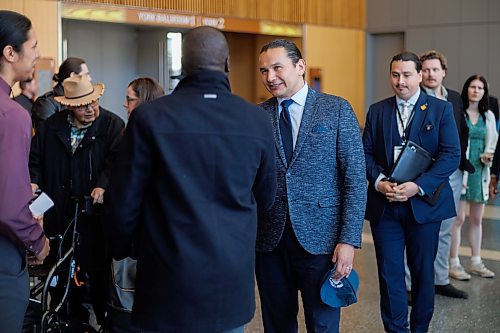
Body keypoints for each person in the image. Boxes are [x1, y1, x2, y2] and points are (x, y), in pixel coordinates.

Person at [104, 26, 277, 333]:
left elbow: (124, 201)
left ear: (182, 65)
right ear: (227, 63)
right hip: (230, 277)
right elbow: (267, 198)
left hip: (166, 273)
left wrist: (127, 247)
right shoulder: (256, 120)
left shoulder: (149, 118)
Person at [256, 39, 366, 333]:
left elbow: (355, 180)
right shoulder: (257, 116)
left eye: (277, 67)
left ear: (300, 66)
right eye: (264, 70)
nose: (270, 77)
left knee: (322, 324)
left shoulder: (336, 109)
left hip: (322, 241)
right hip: (269, 241)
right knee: (276, 324)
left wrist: (348, 241)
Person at [363, 51, 460, 332]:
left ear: (419, 76)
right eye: (395, 75)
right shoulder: (377, 110)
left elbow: (451, 155)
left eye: (407, 75)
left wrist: (418, 186)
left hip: (424, 206)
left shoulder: (440, 110)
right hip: (387, 206)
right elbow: (365, 152)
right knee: (390, 275)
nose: (400, 81)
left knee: (422, 274)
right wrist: (380, 181)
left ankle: (419, 329)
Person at [29, 74, 124, 327]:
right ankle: (64, 321)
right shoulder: (51, 128)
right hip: (59, 217)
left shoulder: (112, 126)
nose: (90, 109)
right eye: (82, 105)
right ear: (70, 106)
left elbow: (117, 163)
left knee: (97, 279)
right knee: (61, 281)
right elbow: (35, 161)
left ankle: (100, 322)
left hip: (94, 220)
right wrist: (33, 181)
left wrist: (103, 184)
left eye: (93, 102)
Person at [403, 50, 473, 299]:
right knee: (413, 226)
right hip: (418, 175)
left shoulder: (454, 98)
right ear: (420, 74)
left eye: (436, 69)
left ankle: (440, 279)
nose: (431, 74)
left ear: (444, 72)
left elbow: (462, 132)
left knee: (446, 226)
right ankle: (409, 285)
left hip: (449, 171)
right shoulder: (414, 98)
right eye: (427, 69)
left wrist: (462, 164)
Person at [0, 10, 50, 332]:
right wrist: (37, 240)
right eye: (33, 46)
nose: (37, 54)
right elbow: (7, 208)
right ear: (9, 52)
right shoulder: (13, 115)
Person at [107, 77, 164, 333]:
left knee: (131, 305)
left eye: (130, 99)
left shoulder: (136, 138)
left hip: (139, 237)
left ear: (143, 101)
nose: (124, 104)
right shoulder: (129, 133)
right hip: (153, 239)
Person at [450, 74, 498, 279]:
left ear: (484, 92)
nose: (476, 91)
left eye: (480, 88)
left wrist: (490, 157)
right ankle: (454, 262)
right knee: (458, 219)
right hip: (462, 169)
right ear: (466, 89)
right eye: (472, 86)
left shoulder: (488, 116)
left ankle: (476, 261)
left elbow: (494, 141)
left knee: (477, 219)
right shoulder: (459, 113)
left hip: (480, 171)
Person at [31, 56, 90, 131]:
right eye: (86, 74)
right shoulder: (46, 103)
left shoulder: (84, 100)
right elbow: (47, 136)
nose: (90, 79)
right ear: (73, 76)